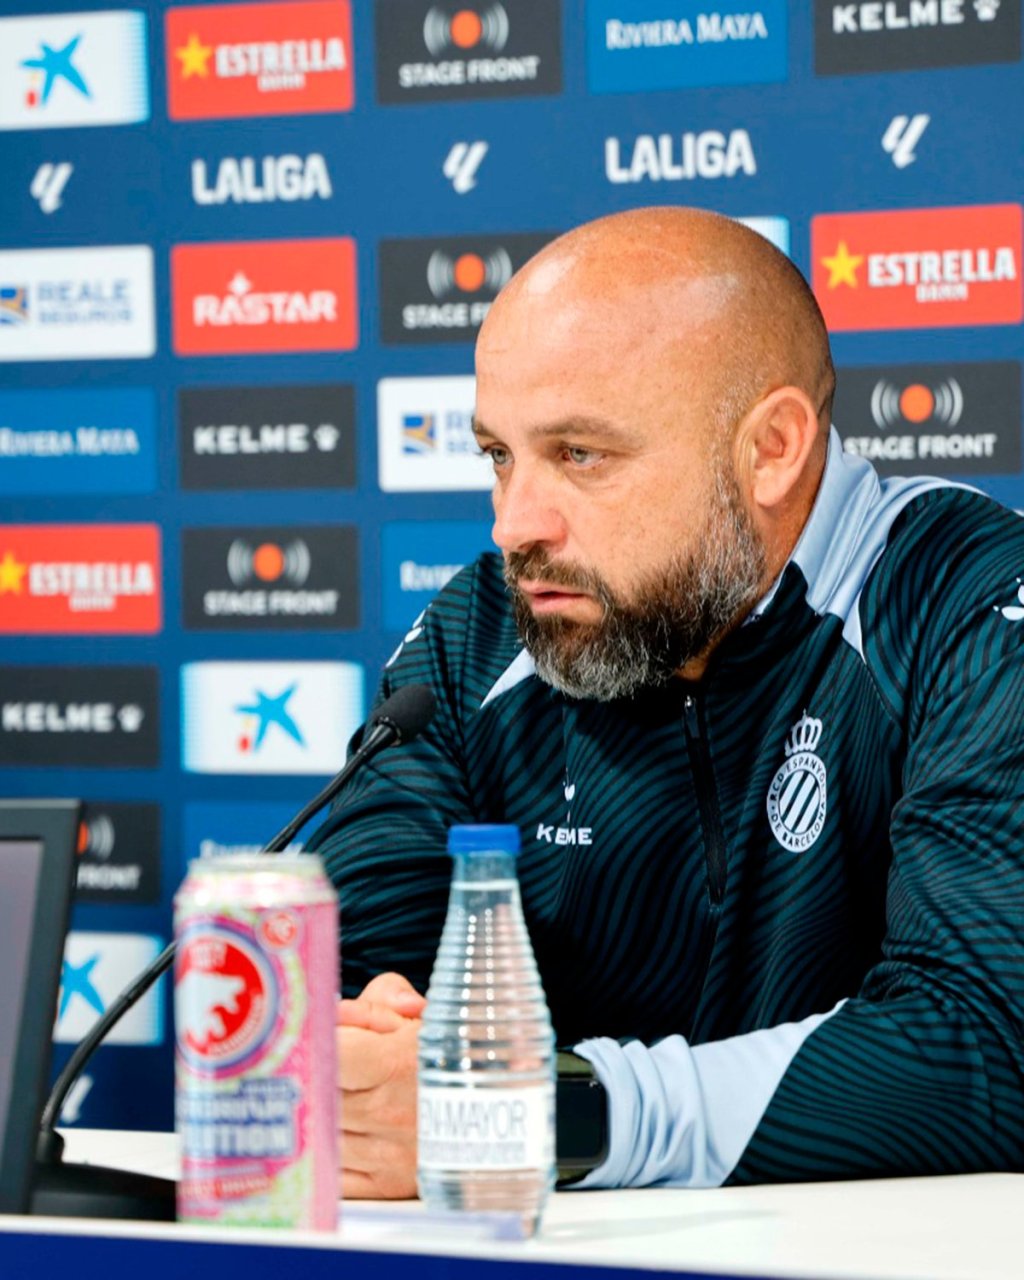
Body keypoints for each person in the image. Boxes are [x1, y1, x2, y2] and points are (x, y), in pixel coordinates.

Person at [308, 206, 1024, 1198]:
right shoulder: (479, 632)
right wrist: (363, 1061)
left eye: (579, 455)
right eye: (499, 455)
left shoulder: (960, 598)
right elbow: (345, 981)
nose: (515, 524)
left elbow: (985, 1041)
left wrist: (549, 1114)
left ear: (771, 447)